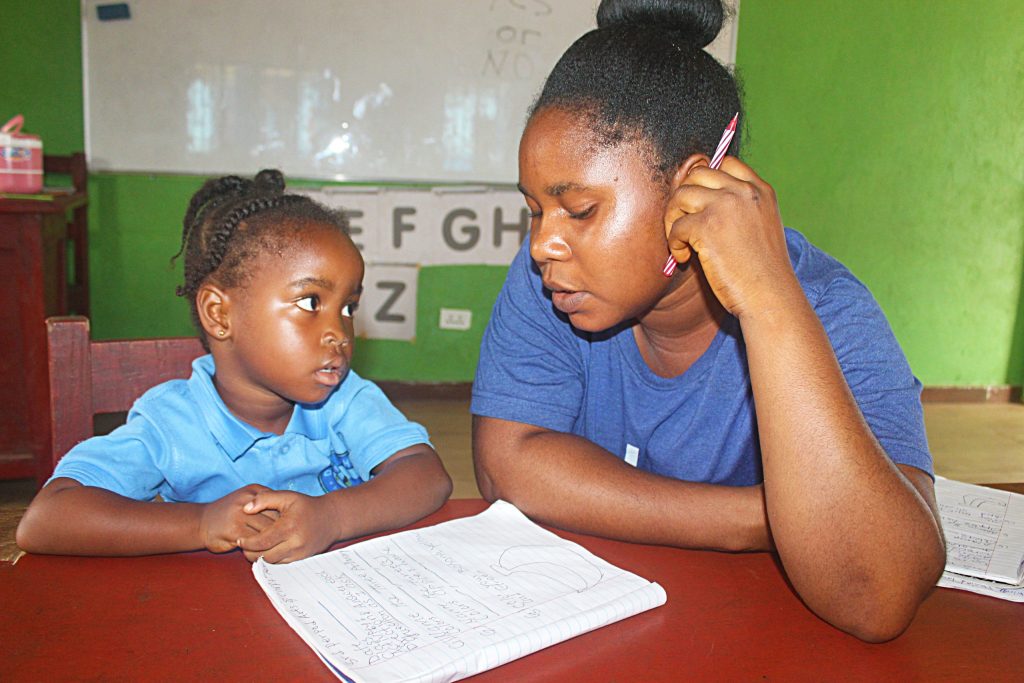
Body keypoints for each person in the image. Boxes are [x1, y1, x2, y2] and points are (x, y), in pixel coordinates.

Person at [471, 0, 945, 642]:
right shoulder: (550, 281)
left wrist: (770, 301)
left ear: (694, 189)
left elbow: (874, 597)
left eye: (579, 210)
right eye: (534, 210)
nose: (541, 245)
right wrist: (769, 518)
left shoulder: (829, 308)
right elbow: (510, 467)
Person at [17, 170, 452, 563]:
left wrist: (331, 517)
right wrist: (202, 523)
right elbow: (48, 518)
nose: (338, 332)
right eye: (310, 302)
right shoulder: (172, 421)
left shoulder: (346, 400)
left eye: (349, 307)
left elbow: (426, 475)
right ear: (219, 314)